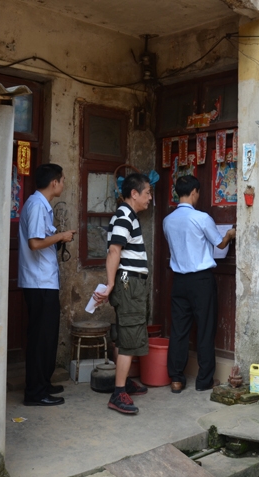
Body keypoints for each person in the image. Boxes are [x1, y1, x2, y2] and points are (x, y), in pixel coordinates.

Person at [163, 175, 236, 393]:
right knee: (205, 328)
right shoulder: (201, 218)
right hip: (201, 280)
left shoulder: (167, 220)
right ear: (194, 192)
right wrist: (230, 234)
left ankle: (176, 379)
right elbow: (220, 244)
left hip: (179, 281)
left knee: (179, 330)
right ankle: (204, 380)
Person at [93, 173, 152, 414]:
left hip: (130, 281)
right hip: (128, 281)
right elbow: (114, 251)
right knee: (129, 333)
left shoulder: (128, 216)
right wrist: (110, 285)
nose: (150, 197)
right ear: (134, 194)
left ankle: (124, 382)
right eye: (147, 192)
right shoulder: (124, 216)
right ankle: (118, 393)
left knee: (127, 330)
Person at [18, 164, 76, 406]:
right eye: (62, 180)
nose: (63, 184)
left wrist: (58, 238)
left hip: (44, 281)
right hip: (38, 282)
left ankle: (43, 383)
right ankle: (35, 392)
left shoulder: (42, 205)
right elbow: (34, 243)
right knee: (41, 339)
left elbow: (42, 239)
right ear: (54, 182)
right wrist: (61, 236)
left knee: (47, 337)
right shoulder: (36, 205)